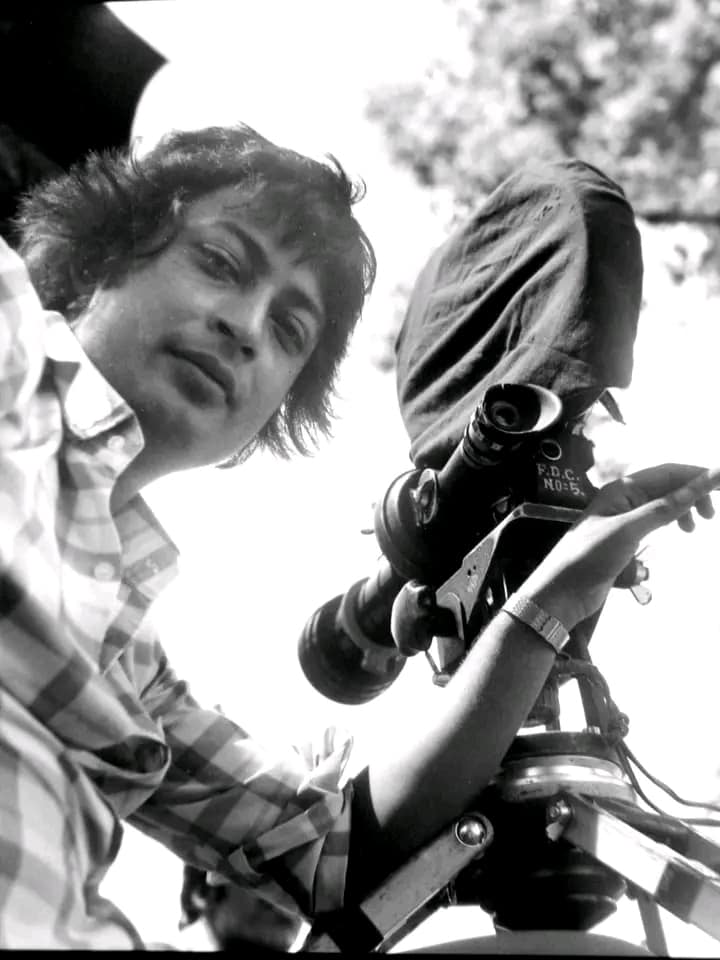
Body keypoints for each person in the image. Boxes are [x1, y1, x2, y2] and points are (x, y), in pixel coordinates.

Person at [1, 122, 716, 950]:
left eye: (289, 332)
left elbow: (329, 855)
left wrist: (554, 595)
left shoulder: (133, 662)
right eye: (220, 263)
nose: (246, 327)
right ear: (102, 259)